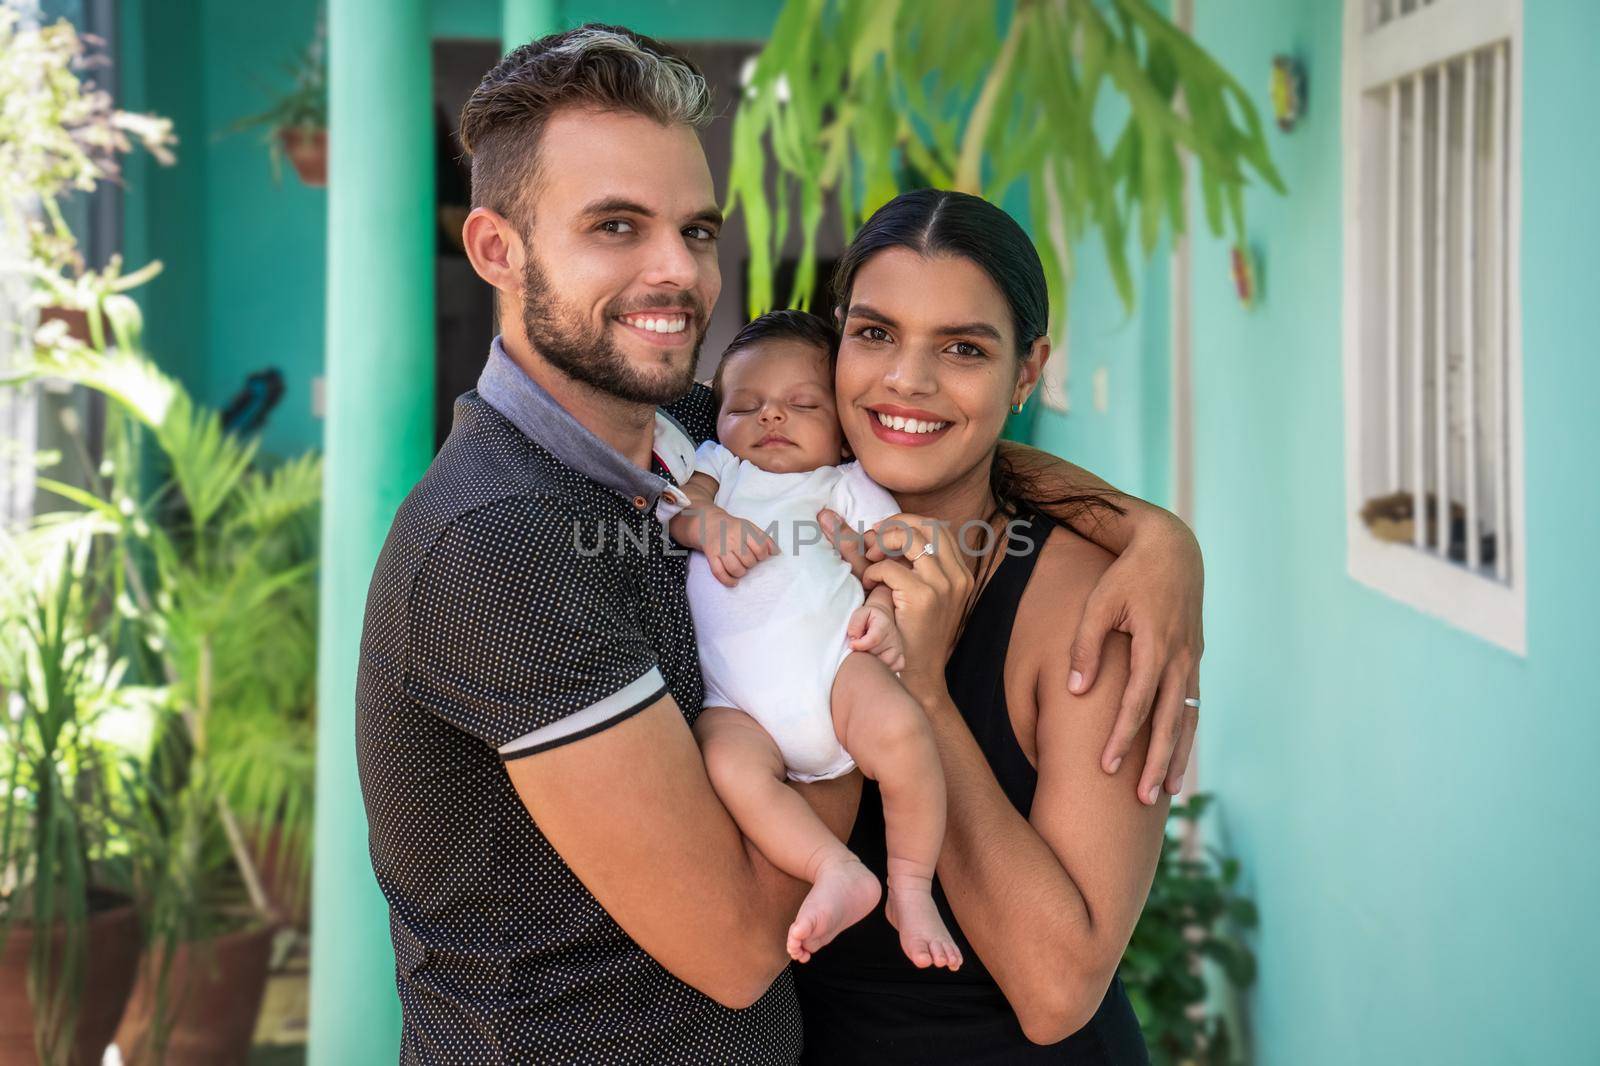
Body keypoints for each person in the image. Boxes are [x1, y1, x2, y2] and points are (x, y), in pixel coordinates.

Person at [355, 25, 1202, 1064]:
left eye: (696, 229)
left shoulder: (690, 437)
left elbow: (908, 447)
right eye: (615, 226)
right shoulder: (510, 541)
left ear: (1025, 372)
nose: (674, 272)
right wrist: (876, 669)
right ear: (496, 249)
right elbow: (743, 938)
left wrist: (1153, 537)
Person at [793, 188, 1172, 1063]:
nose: (907, 381)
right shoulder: (760, 509)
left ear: (1027, 373)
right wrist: (1159, 529)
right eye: (876, 333)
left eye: (963, 348)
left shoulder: (1094, 609)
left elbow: (1059, 989)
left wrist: (924, 689)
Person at [670, 311, 960, 971]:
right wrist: (706, 522)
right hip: (735, 704)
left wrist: (883, 612)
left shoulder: (849, 484)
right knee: (726, 764)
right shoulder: (720, 468)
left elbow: (889, 565)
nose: (771, 417)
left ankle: (910, 885)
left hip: (836, 675)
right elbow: (673, 505)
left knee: (906, 735)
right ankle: (836, 869)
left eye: (802, 404)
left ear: (842, 429)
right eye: (746, 406)